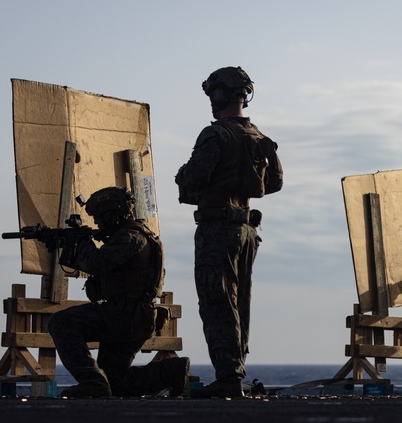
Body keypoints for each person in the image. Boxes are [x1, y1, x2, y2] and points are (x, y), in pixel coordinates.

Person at [175, 66, 283, 398]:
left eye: (213, 94)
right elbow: (274, 183)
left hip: (218, 229)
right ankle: (235, 371)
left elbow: (195, 176)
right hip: (246, 230)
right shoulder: (257, 136)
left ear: (220, 95)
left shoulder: (216, 134)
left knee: (217, 301)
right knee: (239, 302)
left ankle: (229, 376)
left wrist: (182, 175)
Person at [45, 187, 189, 398]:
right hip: (133, 317)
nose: (97, 223)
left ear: (113, 215)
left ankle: (91, 381)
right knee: (115, 383)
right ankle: (171, 371)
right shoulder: (137, 235)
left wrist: (82, 242)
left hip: (124, 316)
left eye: (100, 217)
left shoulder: (130, 238)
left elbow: (97, 264)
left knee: (61, 322)